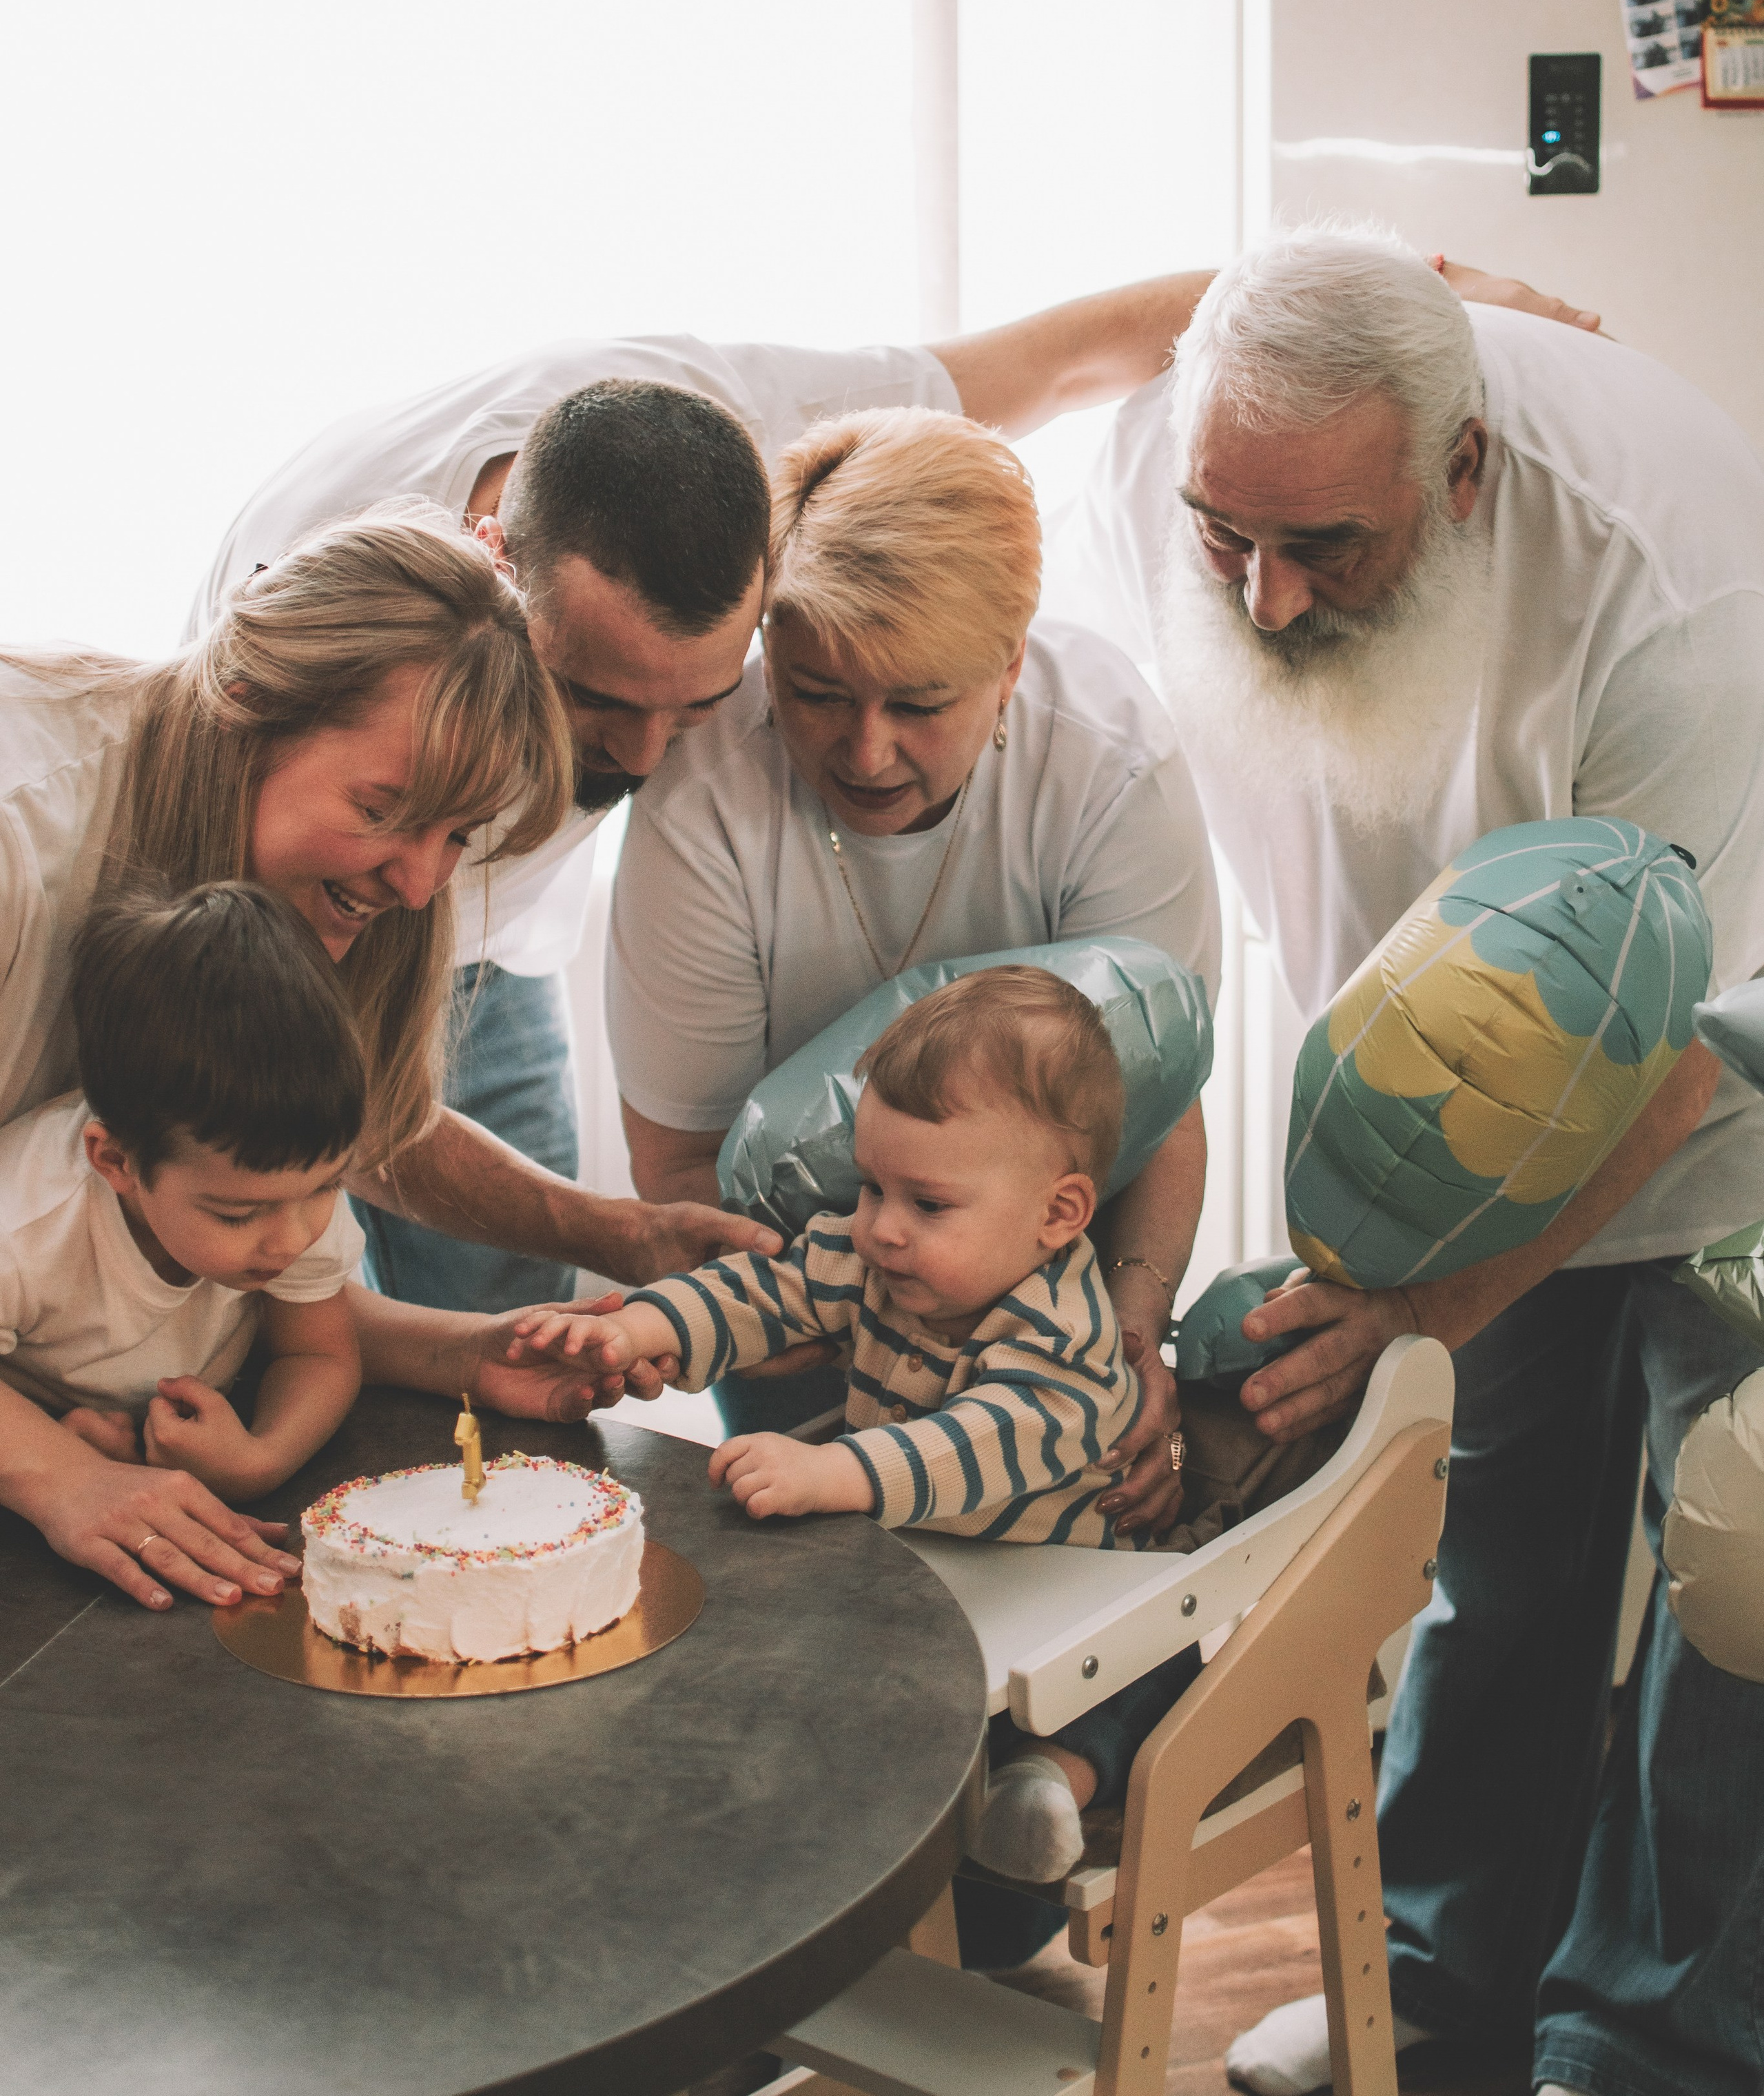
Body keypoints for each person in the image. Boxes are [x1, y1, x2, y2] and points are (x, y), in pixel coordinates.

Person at [189, 263, 1591, 1319]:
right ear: (495, 569)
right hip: (324, 931)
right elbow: (372, 1113)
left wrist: (1408, 301)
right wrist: (628, 1246)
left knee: (508, 1365)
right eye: (600, 704)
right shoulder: (313, 622)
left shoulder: (770, 441)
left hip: (499, 954)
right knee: (308, 1313)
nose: (652, 764)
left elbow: (1077, 349)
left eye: (707, 699)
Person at [1040, 225, 1764, 2096]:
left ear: (1462, 473)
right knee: (1489, 1544)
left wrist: (1427, 1298)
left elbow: (1672, 1052)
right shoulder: (1195, 457)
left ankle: (1647, 2045)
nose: (1267, 600)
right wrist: (1397, 1285)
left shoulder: (1671, 588)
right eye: (1230, 538)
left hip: (1729, 1093)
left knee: (1730, 1586)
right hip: (1474, 1082)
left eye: (1327, 552)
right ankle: (1443, 1989)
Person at [0, 506, 775, 1600]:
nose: (417, 883)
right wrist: (58, 1478)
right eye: (382, 810)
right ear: (249, 706)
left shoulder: (342, 893)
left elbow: (258, 1217)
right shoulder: (19, 833)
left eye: (456, 835)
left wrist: (474, 1343)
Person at [607, 407, 1216, 1533]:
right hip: (801, 1282)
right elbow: (683, 1159)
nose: (866, 750)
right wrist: (813, 1323)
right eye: (818, 694)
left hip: (1045, 1294)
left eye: (921, 702)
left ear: (1010, 661)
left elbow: (1158, 1096)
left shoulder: (1109, 761)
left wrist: (1129, 1333)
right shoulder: (700, 795)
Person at [513, 965, 1200, 1884]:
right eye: (872, 1188)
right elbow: (762, 1294)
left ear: (1058, 1214)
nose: (881, 1228)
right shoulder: (871, 1257)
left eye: (927, 1204)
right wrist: (635, 1327)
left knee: (1146, 1667)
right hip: (936, 1586)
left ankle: (1046, 1785)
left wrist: (831, 1471)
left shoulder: (1065, 1336)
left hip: (1066, 1588)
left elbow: (977, 1447)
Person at [0, 882, 365, 1609]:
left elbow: (318, 1349)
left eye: (325, 1187)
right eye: (237, 1216)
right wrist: (67, 1471)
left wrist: (259, 1458)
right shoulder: (26, 1228)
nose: (292, 1238)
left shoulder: (289, 1183)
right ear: (118, 1164)